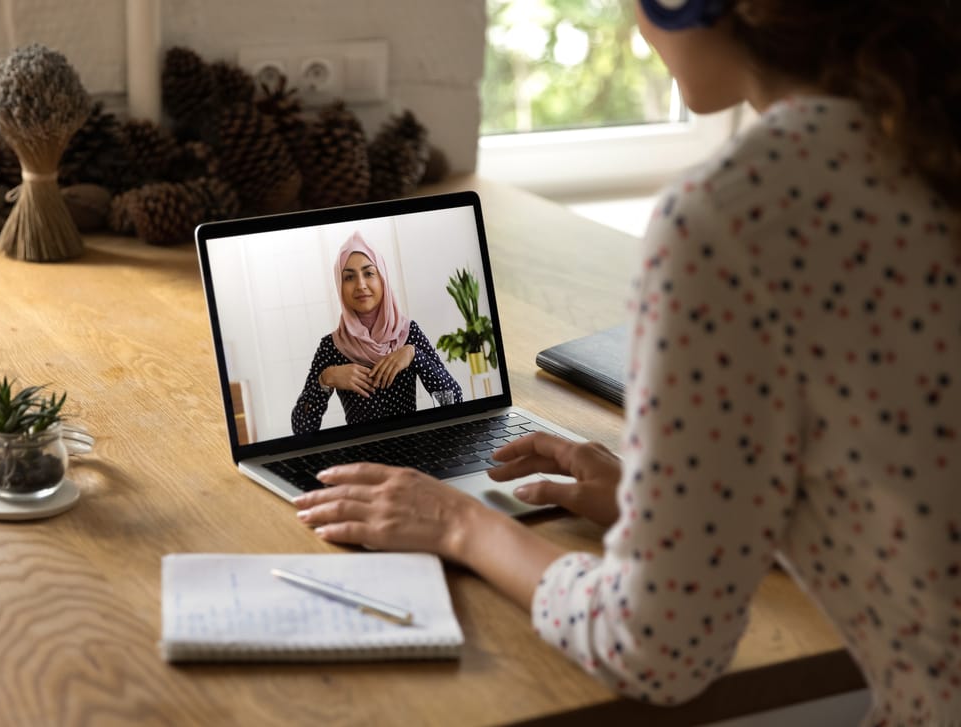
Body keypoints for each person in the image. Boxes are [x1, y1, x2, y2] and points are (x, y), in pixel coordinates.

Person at [291, 1, 961, 723]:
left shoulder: (732, 217)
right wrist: (677, 511)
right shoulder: (926, 135)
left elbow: (653, 644)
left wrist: (463, 523)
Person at [291, 232, 463, 434]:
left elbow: (455, 401)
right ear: (340, 286)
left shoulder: (408, 333)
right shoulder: (332, 346)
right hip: (362, 458)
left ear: (382, 278)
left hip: (413, 449)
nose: (360, 285)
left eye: (369, 273)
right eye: (349, 277)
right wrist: (325, 379)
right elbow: (302, 428)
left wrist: (414, 355)